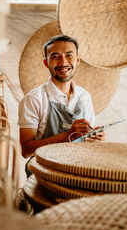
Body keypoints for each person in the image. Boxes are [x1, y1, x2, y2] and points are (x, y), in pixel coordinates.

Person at [18, 35, 105, 175]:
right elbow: (26, 151)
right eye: (55, 56)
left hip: (78, 171)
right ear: (46, 62)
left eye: (68, 55)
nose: (63, 62)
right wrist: (67, 136)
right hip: (43, 173)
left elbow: (85, 142)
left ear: (77, 60)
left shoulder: (84, 96)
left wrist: (94, 137)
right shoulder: (34, 99)